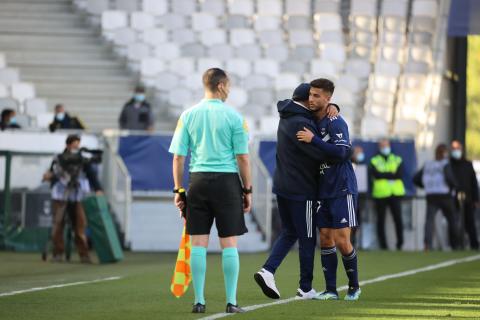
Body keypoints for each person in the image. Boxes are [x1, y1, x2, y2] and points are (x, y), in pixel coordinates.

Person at [169, 68, 252, 314]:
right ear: (222, 85)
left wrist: (178, 189)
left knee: (198, 244)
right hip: (227, 184)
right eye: (229, 85)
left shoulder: (188, 115)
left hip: (198, 182)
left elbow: (178, 159)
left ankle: (199, 301)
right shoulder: (235, 117)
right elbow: (243, 158)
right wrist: (247, 190)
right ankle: (231, 301)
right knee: (229, 244)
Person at [253, 83, 340, 301]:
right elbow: (318, 155)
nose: (314, 101)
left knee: (289, 232)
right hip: (301, 189)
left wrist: (333, 106)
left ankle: (268, 271)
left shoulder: (287, 115)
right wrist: (333, 150)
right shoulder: (302, 122)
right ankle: (305, 287)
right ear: (305, 100)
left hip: (283, 186)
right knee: (308, 238)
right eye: (311, 97)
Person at [296, 78, 361, 301]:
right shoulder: (312, 119)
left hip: (342, 188)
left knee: (342, 240)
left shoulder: (336, 122)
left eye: (317, 96)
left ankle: (354, 287)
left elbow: (343, 153)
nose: (311, 99)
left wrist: (314, 140)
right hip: (322, 189)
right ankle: (331, 290)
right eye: (310, 95)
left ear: (328, 98)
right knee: (324, 238)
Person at [42, 134, 103, 263]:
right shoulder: (59, 158)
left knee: (80, 225)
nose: (76, 147)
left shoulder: (82, 158)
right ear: (68, 145)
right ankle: (58, 253)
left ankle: (84, 254)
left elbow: (91, 173)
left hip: (78, 194)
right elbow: (54, 173)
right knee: (58, 224)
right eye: (74, 144)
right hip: (61, 193)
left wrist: (98, 188)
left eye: (78, 144)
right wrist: (49, 176)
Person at [413, 144, 458, 251]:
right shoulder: (445, 164)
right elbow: (450, 178)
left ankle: (427, 244)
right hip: (445, 195)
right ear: (444, 153)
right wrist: (454, 187)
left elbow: (415, 178)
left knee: (429, 220)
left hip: (431, 195)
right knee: (452, 219)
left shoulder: (428, 164)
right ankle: (455, 244)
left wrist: (425, 186)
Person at [369, 139, 405, 250]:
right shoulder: (374, 160)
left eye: (386, 145)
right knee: (381, 220)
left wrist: (384, 174)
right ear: (379, 147)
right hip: (381, 194)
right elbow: (376, 175)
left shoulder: (397, 159)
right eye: (382, 146)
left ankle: (400, 244)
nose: (384, 148)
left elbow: (399, 175)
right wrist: (390, 174)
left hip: (395, 193)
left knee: (398, 219)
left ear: (390, 146)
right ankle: (383, 245)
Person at [449, 140, 479, 250]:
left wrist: (476, 199)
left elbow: (473, 182)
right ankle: (454, 244)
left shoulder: (467, 164)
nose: (456, 151)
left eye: (458, 149)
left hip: (468, 197)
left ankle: (474, 244)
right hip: (453, 197)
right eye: (454, 149)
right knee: (453, 221)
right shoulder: (448, 164)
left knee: (469, 221)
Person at [350, 145, 366, 247]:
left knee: (357, 219)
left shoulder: (364, 164)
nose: (359, 154)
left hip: (361, 195)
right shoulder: (349, 164)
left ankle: (354, 240)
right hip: (350, 194)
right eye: (357, 152)